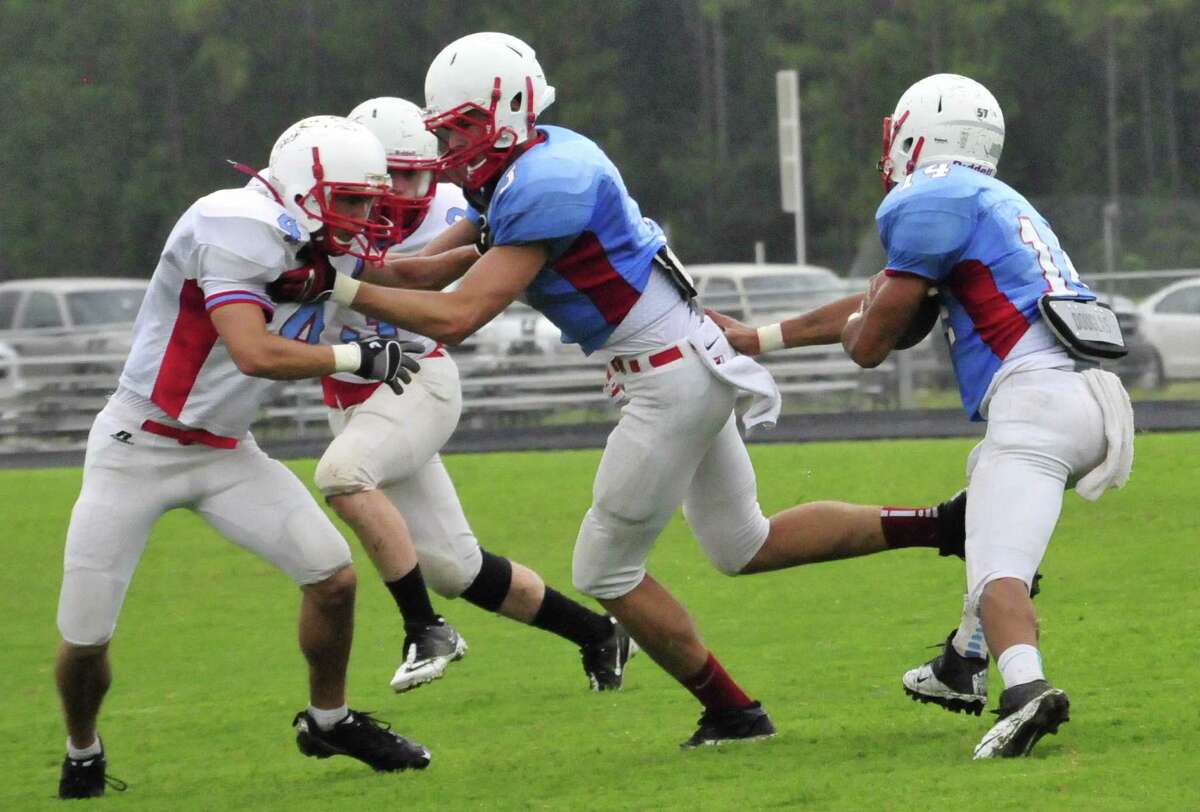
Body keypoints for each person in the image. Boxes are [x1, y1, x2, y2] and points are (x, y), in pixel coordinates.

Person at [268, 33, 967, 749]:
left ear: (511, 108)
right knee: (741, 542)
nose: (455, 143)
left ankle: (733, 712)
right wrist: (335, 266)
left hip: (670, 377)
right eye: (448, 129)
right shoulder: (532, 164)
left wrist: (342, 286)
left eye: (466, 125)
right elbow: (426, 276)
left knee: (604, 568)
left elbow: (459, 315)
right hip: (687, 359)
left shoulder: (546, 181)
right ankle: (942, 525)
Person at [710, 74, 1133, 759]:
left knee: (999, 568)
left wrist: (868, 330)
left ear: (916, 134)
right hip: (1090, 399)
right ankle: (960, 664)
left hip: (1036, 405)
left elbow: (870, 341)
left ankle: (1026, 690)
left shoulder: (930, 192)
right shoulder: (990, 199)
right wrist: (764, 338)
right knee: (985, 511)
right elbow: (877, 299)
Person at [54, 115, 433, 799]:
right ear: (300, 188)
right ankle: (82, 748)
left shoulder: (323, 242)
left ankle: (330, 719)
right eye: (350, 200)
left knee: (333, 578)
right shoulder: (230, 222)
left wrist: (500, 245)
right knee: (84, 640)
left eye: (367, 201)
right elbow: (254, 352)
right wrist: (355, 355)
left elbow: (409, 275)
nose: (364, 216)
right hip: (137, 446)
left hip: (228, 451)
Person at [310, 96, 636, 694]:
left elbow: (424, 272)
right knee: (453, 567)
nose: (408, 189)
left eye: (418, 172)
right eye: (396, 173)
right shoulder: (320, 206)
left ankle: (424, 629)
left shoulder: (457, 209)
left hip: (414, 381)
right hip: (351, 398)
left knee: (342, 474)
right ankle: (598, 633)